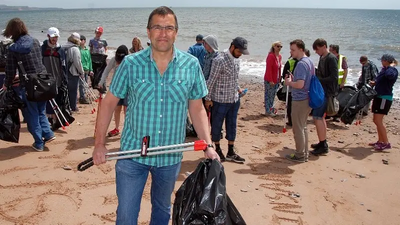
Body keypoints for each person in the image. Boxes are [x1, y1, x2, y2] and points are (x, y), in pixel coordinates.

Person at [91, 6, 219, 225]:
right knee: (126, 215)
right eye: (157, 27)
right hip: (132, 155)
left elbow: (196, 108)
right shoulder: (131, 64)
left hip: (170, 156)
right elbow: (109, 103)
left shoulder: (191, 65)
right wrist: (99, 144)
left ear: (176, 32)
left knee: (161, 210)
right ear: (148, 32)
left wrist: (207, 144)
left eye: (169, 27)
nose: (163, 33)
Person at [2, 18, 55, 151]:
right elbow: (38, 61)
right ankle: (48, 134)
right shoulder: (35, 41)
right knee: (41, 111)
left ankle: (38, 143)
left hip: (28, 85)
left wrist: (6, 84)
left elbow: (10, 70)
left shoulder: (14, 48)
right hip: (43, 81)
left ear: (11, 31)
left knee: (31, 113)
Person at [204, 37, 249, 164]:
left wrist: (239, 89)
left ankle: (231, 151)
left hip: (234, 99)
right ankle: (217, 148)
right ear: (233, 47)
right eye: (239, 51)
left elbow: (234, 78)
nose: (240, 54)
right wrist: (208, 99)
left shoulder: (236, 60)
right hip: (219, 99)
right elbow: (211, 80)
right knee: (217, 125)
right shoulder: (219, 60)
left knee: (232, 125)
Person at [284, 40, 313, 163]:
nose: (291, 52)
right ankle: (304, 153)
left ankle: (300, 155)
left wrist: (289, 82)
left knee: (298, 128)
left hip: (300, 99)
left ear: (301, 49)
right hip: (307, 98)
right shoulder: (309, 62)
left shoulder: (301, 64)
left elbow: (300, 84)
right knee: (303, 127)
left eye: (293, 50)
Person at [310, 38, 338, 156]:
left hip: (326, 92)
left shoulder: (331, 59)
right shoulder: (322, 57)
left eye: (317, 49)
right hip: (322, 91)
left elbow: (334, 77)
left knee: (317, 117)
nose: (316, 52)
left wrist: (319, 80)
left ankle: (323, 144)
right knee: (320, 117)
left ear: (323, 46)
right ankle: (322, 142)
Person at [98, 45, 130, 137]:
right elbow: (106, 71)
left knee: (127, 110)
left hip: (128, 88)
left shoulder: (130, 61)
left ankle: (127, 129)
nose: (119, 62)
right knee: (117, 109)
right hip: (116, 88)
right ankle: (116, 128)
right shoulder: (113, 60)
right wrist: (101, 82)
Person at [369, 54, 398, 151]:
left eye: (382, 60)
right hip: (379, 96)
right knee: (375, 120)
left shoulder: (392, 70)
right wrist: (375, 83)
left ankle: (386, 143)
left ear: (386, 61)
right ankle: (380, 141)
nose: (381, 62)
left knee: (378, 120)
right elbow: (382, 79)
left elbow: (390, 76)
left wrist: (391, 65)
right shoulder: (384, 69)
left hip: (385, 97)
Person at [63, 32, 84, 112]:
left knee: (66, 90)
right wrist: (81, 72)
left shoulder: (63, 47)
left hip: (64, 71)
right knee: (73, 91)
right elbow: (78, 62)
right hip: (73, 72)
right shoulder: (75, 49)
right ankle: (73, 107)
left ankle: (66, 106)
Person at [264, 41, 282, 116]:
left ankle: (270, 109)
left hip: (276, 79)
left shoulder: (279, 56)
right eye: (277, 46)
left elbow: (279, 68)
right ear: (274, 46)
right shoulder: (271, 56)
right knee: (269, 95)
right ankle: (268, 110)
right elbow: (269, 69)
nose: (279, 48)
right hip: (269, 79)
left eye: (280, 46)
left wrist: (280, 78)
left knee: (273, 95)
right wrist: (270, 80)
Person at [78, 35, 93, 104]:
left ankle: (84, 96)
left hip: (87, 69)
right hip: (81, 69)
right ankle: (82, 97)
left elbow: (89, 60)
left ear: (84, 41)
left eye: (82, 39)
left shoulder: (87, 50)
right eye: (79, 40)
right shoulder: (78, 49)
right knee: (81, 84)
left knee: (85, 84)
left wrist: (91, 69)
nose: (81, 41)